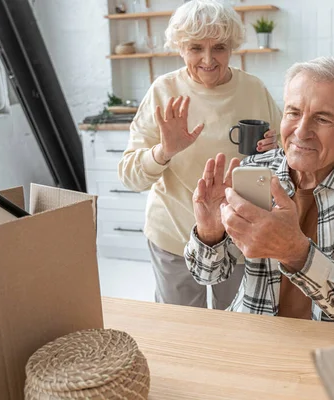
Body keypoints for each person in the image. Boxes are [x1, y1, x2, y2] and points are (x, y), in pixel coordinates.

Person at [184, 57, 334, 330]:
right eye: (293, 113)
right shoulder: (255, 169)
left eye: (322, 118)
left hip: (328, 346)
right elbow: (209, 274)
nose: (302, 131)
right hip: (254, 334)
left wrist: (295, 252)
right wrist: (209, 233)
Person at [118, 0, 281, 309]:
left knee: (236, 327)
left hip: (239, 234)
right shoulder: (163, 91)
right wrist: (164, 151)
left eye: (219, 47)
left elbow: (287, 158)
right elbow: (129, 175)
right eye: (195, 48)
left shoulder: (254, 90)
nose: (208, 59)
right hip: (174, 234)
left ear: (232, 47)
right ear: (180, 48)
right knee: (182, 332)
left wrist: (275, 149)